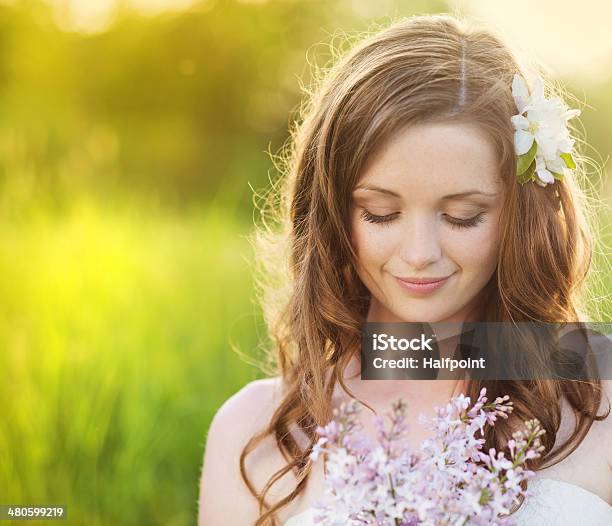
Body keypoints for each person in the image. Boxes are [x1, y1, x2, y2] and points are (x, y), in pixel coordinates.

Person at [198, 13, 612, 526]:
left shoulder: (600, 392)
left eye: (463, 217)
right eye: (381, 213)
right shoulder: (255, 431)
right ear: (330, 213)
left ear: (520, 216)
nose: (419, 253)